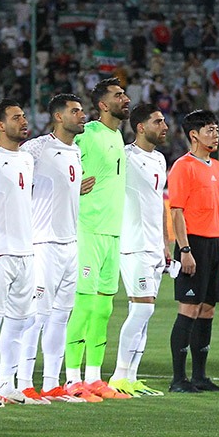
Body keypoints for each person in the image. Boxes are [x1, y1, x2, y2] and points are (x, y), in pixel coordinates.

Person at [23, 94, 93, 402]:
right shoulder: (37, 148)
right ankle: (23, 382)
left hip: (70, 244)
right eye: (75, 111)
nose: (82, 115)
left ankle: (52, 383)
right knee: (37, 316)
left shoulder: (75, 150)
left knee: (61, 317)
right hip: (44, 243)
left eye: (82, 111)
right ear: (58, 117)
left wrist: (75, 191)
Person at [0, 100, 43, 407]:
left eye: (24, 116)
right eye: (16, 118)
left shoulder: (27, 159)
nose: (24, 121)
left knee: (18, 322)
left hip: (25, 252)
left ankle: (7, 384)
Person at [69, 78, 132, 400]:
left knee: (104, 308)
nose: (126, 98)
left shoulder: (117, 136)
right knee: (84, 305)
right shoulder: (88, 133)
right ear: (103, 105)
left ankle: (93, 377)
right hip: (88, 229)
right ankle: (71, 379)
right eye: (119, 95)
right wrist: (70, 185)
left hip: (112, 231)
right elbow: (52, 153)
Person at [166, 109, 219, 393]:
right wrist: (184, 249)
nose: (216, 135)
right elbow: (177, 212)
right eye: (209, 130)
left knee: (207, 310)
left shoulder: (218, 167)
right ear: (194, 135)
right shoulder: (183, 166)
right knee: (189, 308)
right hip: (193, 243)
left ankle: (199, 376)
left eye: (217, 129)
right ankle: (178, 379)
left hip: (217, 245)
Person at [108, 104, 172, 397]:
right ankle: (119, 375)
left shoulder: (159, 158)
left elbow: (158, 203)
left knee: (145, 312)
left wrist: (165, 243)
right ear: (141, 127)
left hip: (154, 246)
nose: (165, 126)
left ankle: (132, 378)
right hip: (133, 245)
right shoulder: (125, 156)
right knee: (143, 308)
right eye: (158, 122)